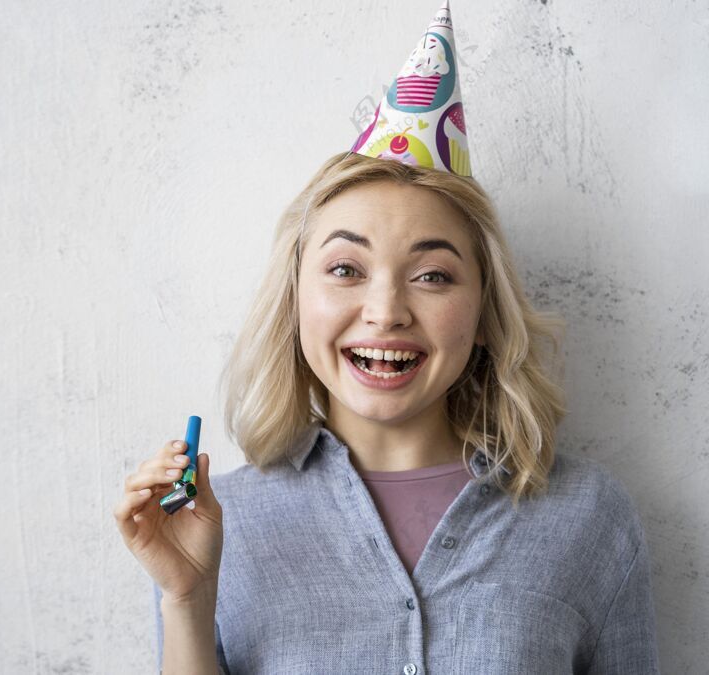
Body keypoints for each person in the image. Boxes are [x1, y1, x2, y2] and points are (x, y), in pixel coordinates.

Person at [112, 2, 660, 673]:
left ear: (486, 312)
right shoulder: (219, 526)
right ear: (295, 299)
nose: (386, 310)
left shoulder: (591, 519)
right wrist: (187, 601)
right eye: (346, 268)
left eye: (432, 275)